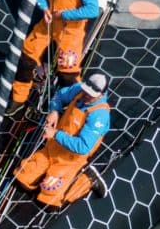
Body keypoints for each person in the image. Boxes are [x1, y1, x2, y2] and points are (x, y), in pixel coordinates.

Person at [9, 0, 100, 110]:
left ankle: (70, 108)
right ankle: (18, 99)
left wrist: (65, 14)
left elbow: (93, 10)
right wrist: (44, 7)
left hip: (71, 31)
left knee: (68, 74)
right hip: (48, 22)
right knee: (27, 56)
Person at [14, 72, 110, 207]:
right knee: (22, 177)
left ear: (101, 94)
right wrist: (54, 110)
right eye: (85, 91)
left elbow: (83, 147)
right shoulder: (79, 89)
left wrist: (55, 134)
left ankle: (86, 180)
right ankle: (45, 174)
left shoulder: (99, 115)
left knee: (48, 201)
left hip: (70, 159)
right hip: (52, 148)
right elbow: (59, 95)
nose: (86, 96)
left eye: (90, 94)